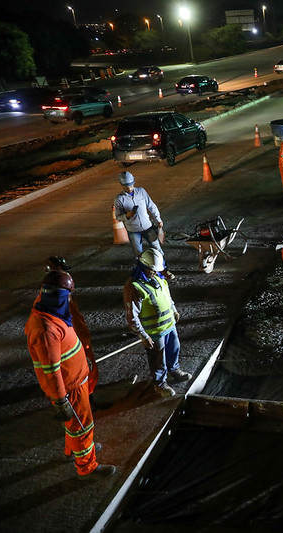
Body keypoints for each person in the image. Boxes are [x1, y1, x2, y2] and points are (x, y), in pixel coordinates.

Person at [25, 270, 117, 480]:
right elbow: (52, 371)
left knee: (74, 425)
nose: (69, 300)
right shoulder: (46, 330)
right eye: (67, 296)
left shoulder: (48, 309)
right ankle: (87, 467)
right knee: (82, 426)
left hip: (75, 380)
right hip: (69, 388)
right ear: (59, 297)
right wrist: (61, 401)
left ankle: (74, 449)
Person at [122, 248, 191, 397]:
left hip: (169, 325)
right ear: (143, 267)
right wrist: (143, 335)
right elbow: (132, 316)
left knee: (174, 349)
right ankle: (160, 384)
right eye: (152, 270)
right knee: (158, 358)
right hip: (154, 332)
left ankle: (174, 370)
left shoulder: (158, 278)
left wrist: (174, 310)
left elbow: (167, 296)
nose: (155, 273)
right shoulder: (133, 287)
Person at [40, 256, 98, 395]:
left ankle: (87, 394)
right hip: (74, 344)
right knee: (81, 376)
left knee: (88, 371)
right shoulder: (56, 303)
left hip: (78, 338)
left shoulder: (58, 294)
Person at [114, 171, 173, 278]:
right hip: (133, 231)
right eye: (126, 187)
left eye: (131, 185)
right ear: (122, 185)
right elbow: (118, 217)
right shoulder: (119, 199)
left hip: (147, 227)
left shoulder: (141, 191)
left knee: (157, 249)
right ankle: (144, 275)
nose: (129, 188)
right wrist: (126, 215)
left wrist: (158, 220)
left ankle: (164, 270)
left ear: (134, 183)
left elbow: (151, 206)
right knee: (139, 254)